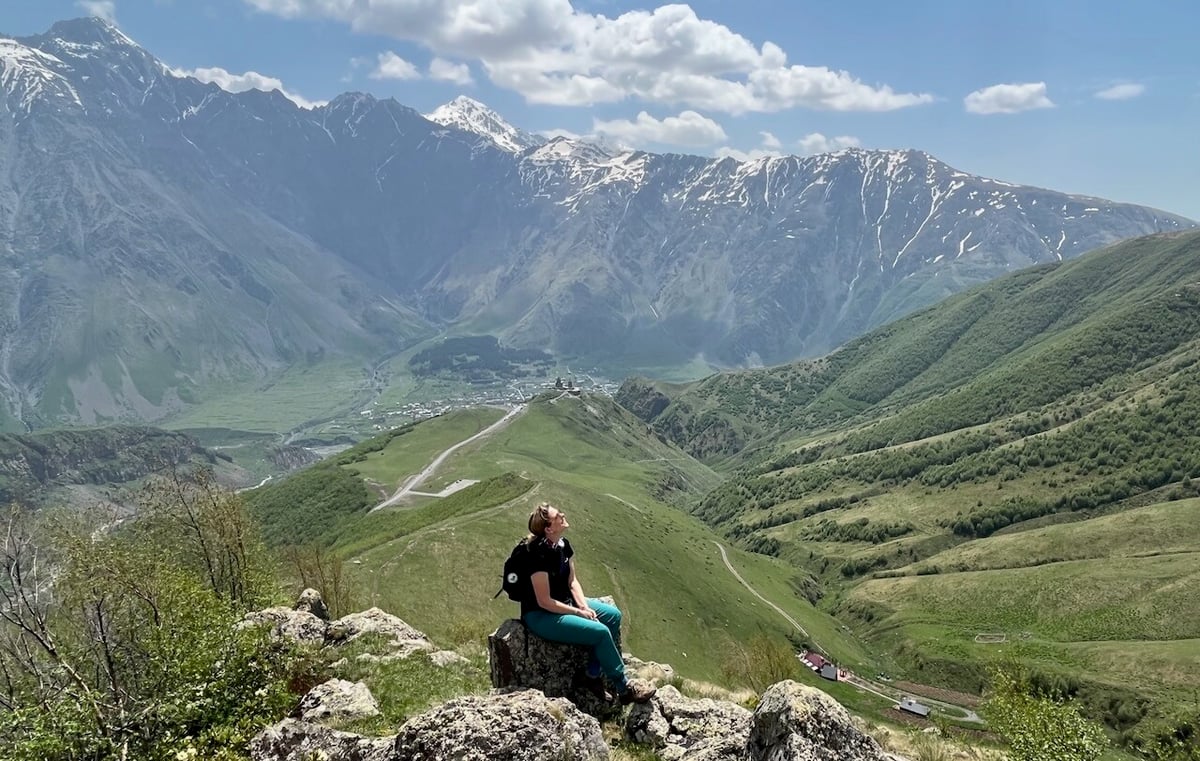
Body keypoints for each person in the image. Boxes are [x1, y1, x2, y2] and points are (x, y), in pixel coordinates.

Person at [521, 501, 656, 704]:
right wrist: (577, 613)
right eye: (558, 516)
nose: (563, 515)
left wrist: (583, 605)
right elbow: (544, 601)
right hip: (541, 615)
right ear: (549, 528)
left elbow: (572, 580)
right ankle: (624, 687)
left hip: (564, 602)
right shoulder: (538, 556)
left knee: (612, 616)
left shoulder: (562, 545)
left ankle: (592, 675)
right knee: (600, 632)